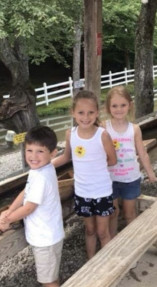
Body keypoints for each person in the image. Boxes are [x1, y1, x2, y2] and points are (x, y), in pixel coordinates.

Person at [0, 125, 64, 287]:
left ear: (53, 153)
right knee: (50, 275)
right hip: (50, 234)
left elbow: (28, 208)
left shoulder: (41, 177)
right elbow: (25, 193)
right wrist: (9, 210)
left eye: (40, 151)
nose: (33, 156)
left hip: (45, 239)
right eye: (29, 150)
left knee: (47, 281)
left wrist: (7, 220)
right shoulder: (41, 169)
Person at [52, 90, 117, 260]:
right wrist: (45, 165)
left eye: (90, 112)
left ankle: (107, 264)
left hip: (102, 192)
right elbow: (66, 156)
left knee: (103, 231)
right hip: (83, 192)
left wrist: (95, 168)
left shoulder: (102, 135)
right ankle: (91, 261)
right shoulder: (70, 134)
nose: (86, 117)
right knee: (89, 230)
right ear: (73, 113)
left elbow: (112, 160)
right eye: (81, 112)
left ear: (97, 113)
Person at [102, 85, 157, 239]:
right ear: (108, 107)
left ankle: (131, 242)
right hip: (109, 180)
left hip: (131, 179)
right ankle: (111, 243)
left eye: (123, 105)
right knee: (113, 213)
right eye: (114, 106)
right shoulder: (103, 127)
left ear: (129, 105)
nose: (119, 109)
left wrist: (151, 174)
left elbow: (142, 153)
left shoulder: (134, 129)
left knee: (130, 213)